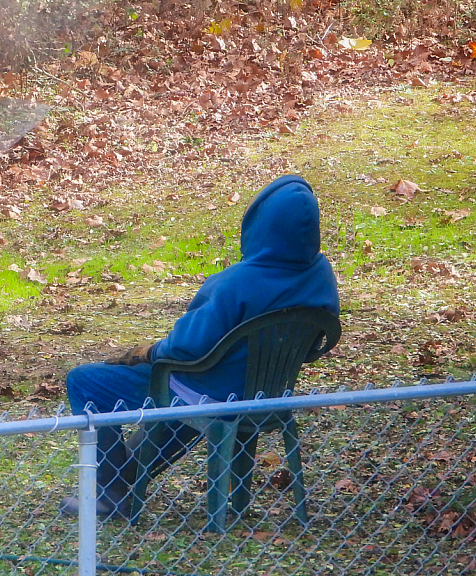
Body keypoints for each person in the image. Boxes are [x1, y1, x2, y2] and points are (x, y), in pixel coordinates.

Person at [61, 174, 340, 519]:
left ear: (259, 224)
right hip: (269, 395)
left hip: (209, 394)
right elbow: (320, 336)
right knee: (185, 389)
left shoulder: (233, 284)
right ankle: (126, 475)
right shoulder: (320, 273)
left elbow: (184, 349)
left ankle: (109, 492)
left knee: (87, 380)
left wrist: (145, 352)